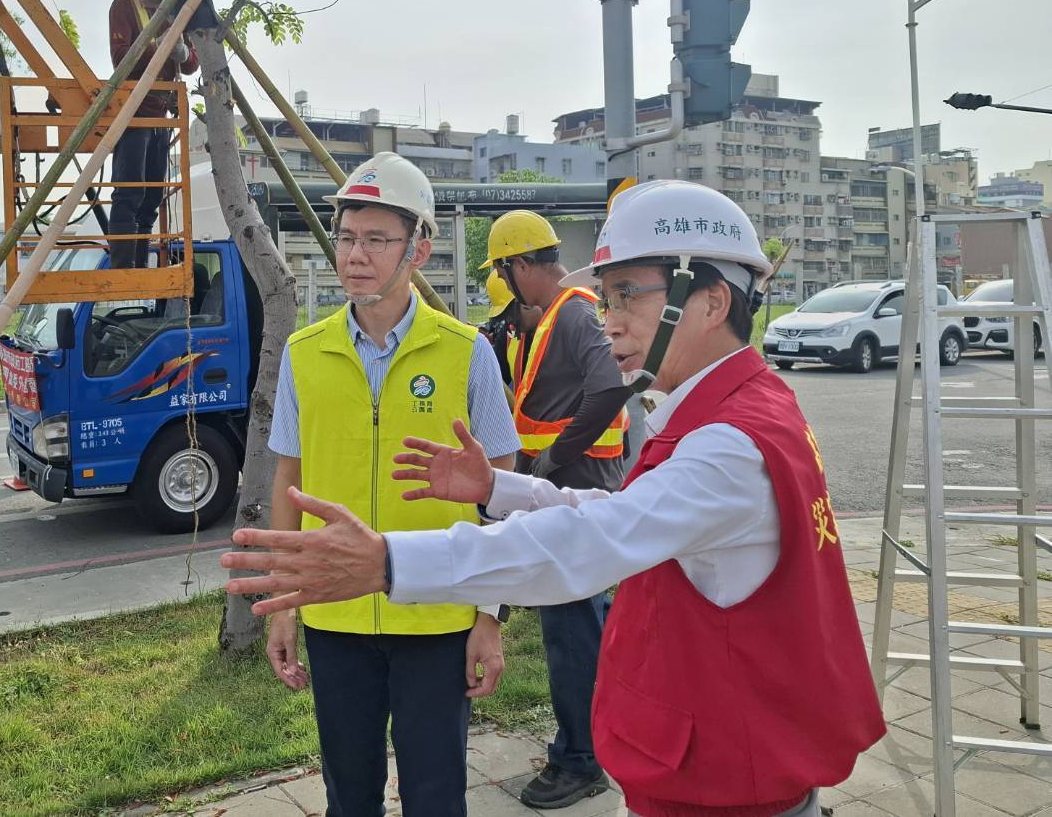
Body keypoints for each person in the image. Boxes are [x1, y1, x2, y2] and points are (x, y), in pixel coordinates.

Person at [222, 180, 887, 817]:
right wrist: (499, 489)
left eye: (627, 295)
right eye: (606, 297)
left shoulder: (726, 445)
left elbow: (587, 548)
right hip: (726, 759)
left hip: (728, 778)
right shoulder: (739, 410)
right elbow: (614, 518)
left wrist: (387, 563)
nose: (608, 319)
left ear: (710, 302)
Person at [264, 151, 520, 817]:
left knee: (436, 795)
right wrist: (285, 601)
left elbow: (503, 490)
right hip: (334, 611)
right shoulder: (303, 353)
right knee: (348, 795)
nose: (355, 254)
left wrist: (489, 617)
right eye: (347, 237)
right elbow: (287, 480)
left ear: (420, 249)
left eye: (377, 239)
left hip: (437, 613)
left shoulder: (467, 353)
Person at [481, 210, 631, 807]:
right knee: (577, 628)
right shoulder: (567, 311)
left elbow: (611, 387)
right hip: (567, 491)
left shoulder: (572, 311)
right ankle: (589, 746)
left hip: (575, 488)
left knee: (572, 634)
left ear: (518, 266)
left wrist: (547, 463)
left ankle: (581, 759)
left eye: (503, 272)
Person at [106, 0, 200, 269]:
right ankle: (123, 267)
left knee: (151, 197)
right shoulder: (126, 5)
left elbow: (190, 65)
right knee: (129, 191)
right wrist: (160, 47)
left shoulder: (178, 14)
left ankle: (140, 264)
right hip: (134, 115)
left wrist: (182, 50)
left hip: (162, 117)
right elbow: (121, 58)